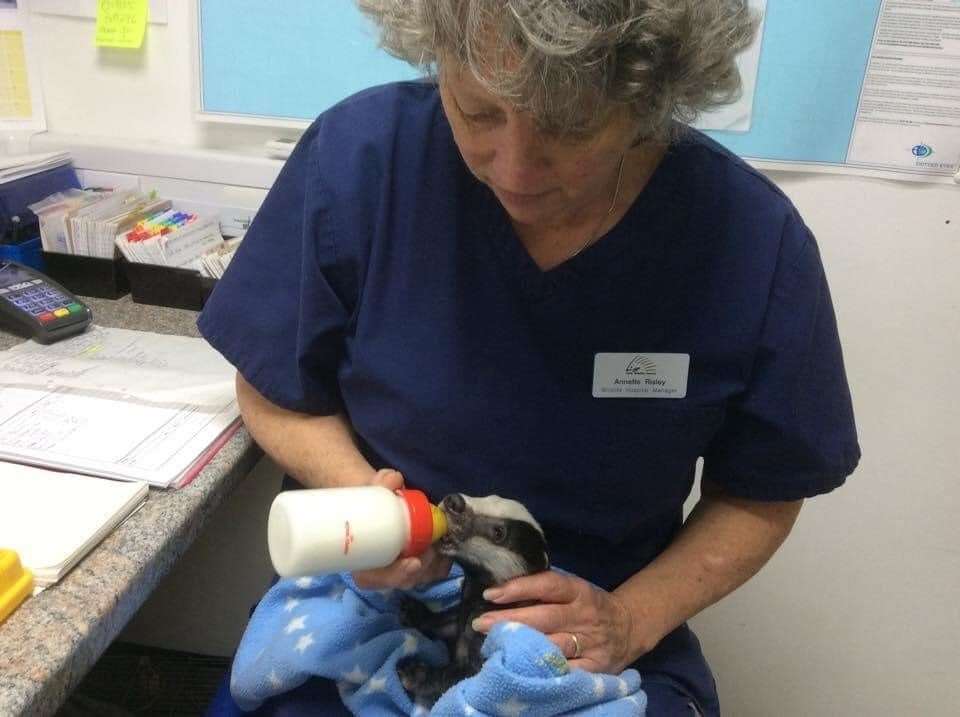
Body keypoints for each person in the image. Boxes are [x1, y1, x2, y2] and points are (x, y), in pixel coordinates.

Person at [199, 1, 861, 714]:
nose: (513, 166)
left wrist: (631, 618)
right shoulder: (363, 159)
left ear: (648, 95)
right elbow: (270, 386)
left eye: (569, 123)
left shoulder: (748, 240)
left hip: (596, 626)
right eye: (478, 112)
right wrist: (366, 498)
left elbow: (764, 488)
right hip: (373, 602)